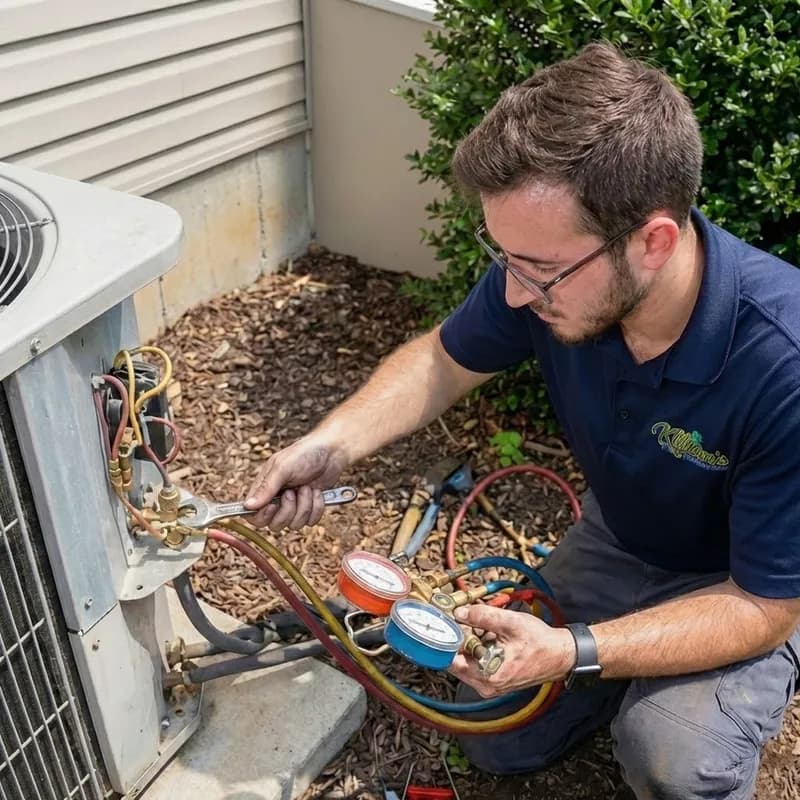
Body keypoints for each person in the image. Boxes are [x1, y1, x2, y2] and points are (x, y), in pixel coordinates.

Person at [244, 42, 800, 799]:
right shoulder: (549, 271)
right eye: (502, 257)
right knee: (501, 732)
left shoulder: (784, 363)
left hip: (745, 580)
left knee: (673, 760)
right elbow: (441, 361)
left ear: (654, 241)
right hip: (625, 536)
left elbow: (765, 605)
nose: (511, 295)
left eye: (537, 269)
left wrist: (573, 650)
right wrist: (331, 443)